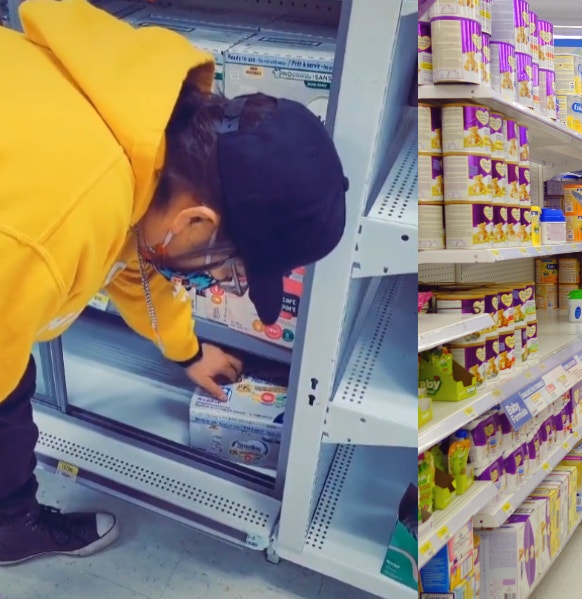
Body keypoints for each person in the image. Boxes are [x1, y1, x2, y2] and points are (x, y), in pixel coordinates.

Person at [0, 0, 347, 565]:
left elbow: (135, 258)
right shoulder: (46, 233)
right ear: (197, 222)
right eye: (221, 263)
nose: (216, 276)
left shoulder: (137, 123)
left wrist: (186, 351)